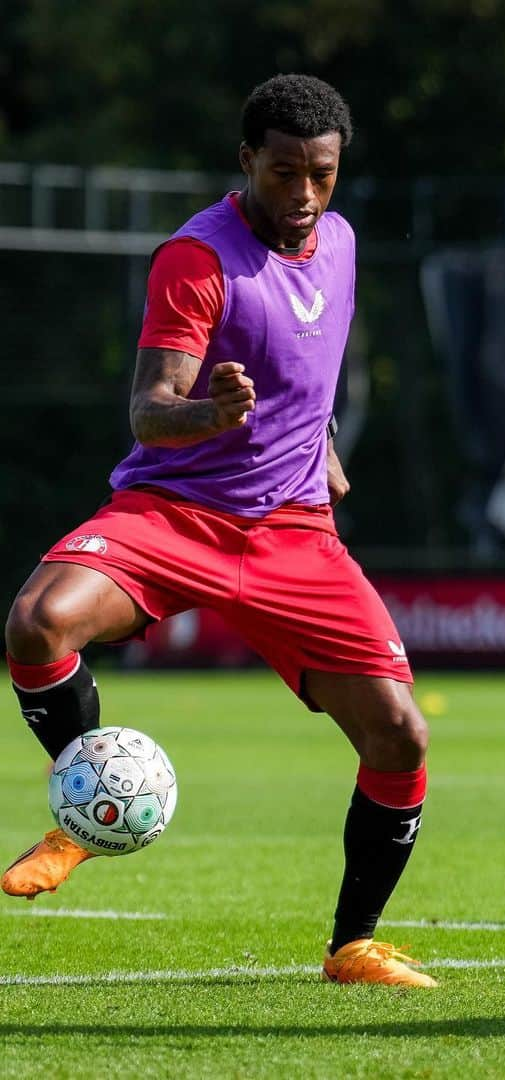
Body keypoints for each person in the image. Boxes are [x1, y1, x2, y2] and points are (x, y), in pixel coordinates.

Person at [1, 74, 437, 989]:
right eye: (284, 174)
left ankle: (352, 946)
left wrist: (316, 442)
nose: (305, 195)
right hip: (174, 514)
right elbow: (150, 412)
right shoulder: (196, 259)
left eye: (322, 174)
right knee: (37, 625)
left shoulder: (344, 243)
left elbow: (306, 364)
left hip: (293, 534)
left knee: (400, 736)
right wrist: (213, 414)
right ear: (247, 163)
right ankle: (85, 816)